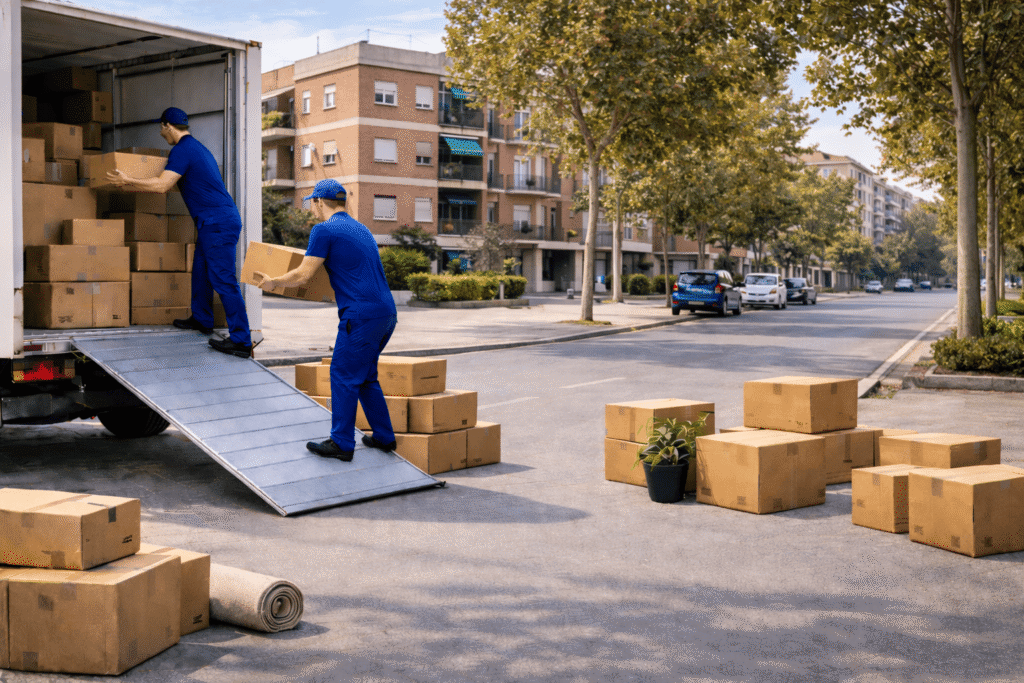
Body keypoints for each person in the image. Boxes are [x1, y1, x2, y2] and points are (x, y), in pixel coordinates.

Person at [251, 179, 398, 462]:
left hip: (361, 315)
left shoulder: (324, 230)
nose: (312, 210)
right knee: (366, 376)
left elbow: (304, 275)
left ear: (319, 201)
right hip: (386, 314)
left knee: (343, 375)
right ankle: (384, 436)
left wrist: (272, 282)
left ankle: (342, 443)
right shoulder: (361, 229)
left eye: (312, 204)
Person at [105, 107, 253, 358]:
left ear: (167, 126)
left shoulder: (183, 150)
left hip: (217, 222)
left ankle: (241, 340)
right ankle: (202, 319)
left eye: (161, 129)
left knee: (223, 279)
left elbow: (163, 185)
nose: (161, 134)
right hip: (212, 221)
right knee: (201, 272)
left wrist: (128, 180)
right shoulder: (196, 147)